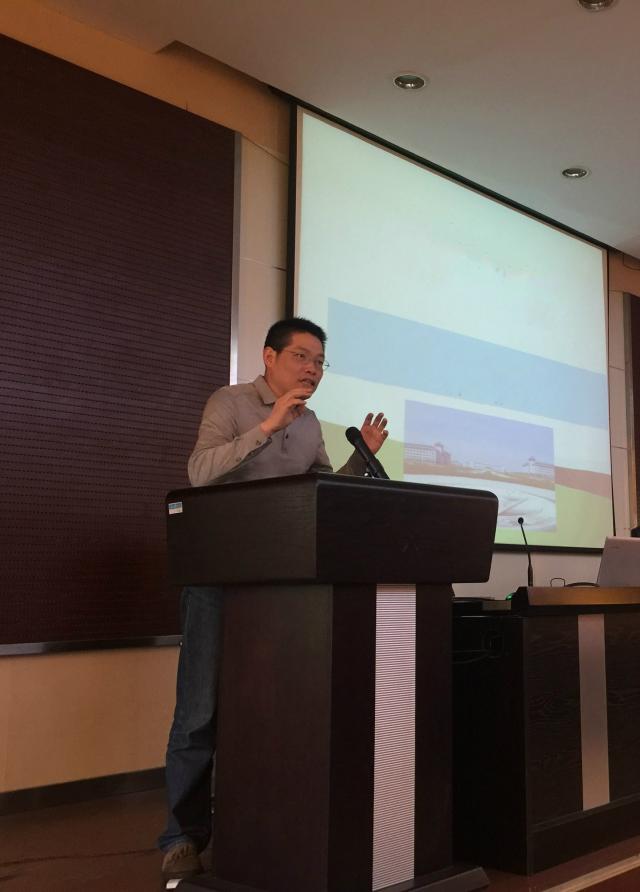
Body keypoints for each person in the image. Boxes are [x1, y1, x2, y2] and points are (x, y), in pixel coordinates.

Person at [159, 317, 388, 881]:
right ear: (269, 356)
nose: (312, 369)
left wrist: (361, 460)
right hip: (218, 577)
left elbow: (321, 492)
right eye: (301, 357)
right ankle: (182, 836)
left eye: (320, 361)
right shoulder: (231, 403)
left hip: (285, 586)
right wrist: (267, 426)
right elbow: (198, 471)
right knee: (199, 710)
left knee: (270, 709)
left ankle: (259, 824)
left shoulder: (311, 425)